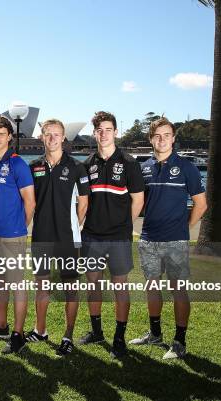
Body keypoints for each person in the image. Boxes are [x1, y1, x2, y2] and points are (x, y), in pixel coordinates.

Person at [129, 117, 207, 359]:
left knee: (178, 290)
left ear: (173, 138)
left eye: (166, 135)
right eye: (157, 136)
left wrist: (184, 228)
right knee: (152, 287)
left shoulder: (186, 167)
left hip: (175, 241)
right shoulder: (144, 167)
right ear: (151, 139)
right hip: (149, 239)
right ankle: (155, 334)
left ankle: (179, 341)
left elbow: (201, 204)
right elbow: (137, 201)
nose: (161, 140)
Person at [80, 111, 144, 359]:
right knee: (93, 284)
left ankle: (119, 337)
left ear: (116, 132)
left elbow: (138, 199)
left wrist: (124, 226)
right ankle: (97, 331)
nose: (104, 134)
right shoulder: (87, 164)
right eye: (99, 130)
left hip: (118, 237)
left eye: (108, 129)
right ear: (95, 133)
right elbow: (83, 202)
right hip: (92, 236)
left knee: (120, 287)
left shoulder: (129, 162)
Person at [28, 119, 89, 356]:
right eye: (48, 134)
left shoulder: (76, 167)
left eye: (57, 134)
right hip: (41, 236)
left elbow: (83, 203)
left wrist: (74, 227)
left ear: (64, 138)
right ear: (42, 137)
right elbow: (30, 202)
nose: (52, 138)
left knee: (70, 288)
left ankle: (67, 336)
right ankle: (40, 330)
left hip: (68, 238)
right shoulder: (34, 166)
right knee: (41, 285)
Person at [0, 115, 36, 354]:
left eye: (1, 134)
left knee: (17, 285)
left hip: (13, 236)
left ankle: (18, 334)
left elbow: (30, 202)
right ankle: (1, 325)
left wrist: (20, 228)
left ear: (9, 137)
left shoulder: (17, 163)